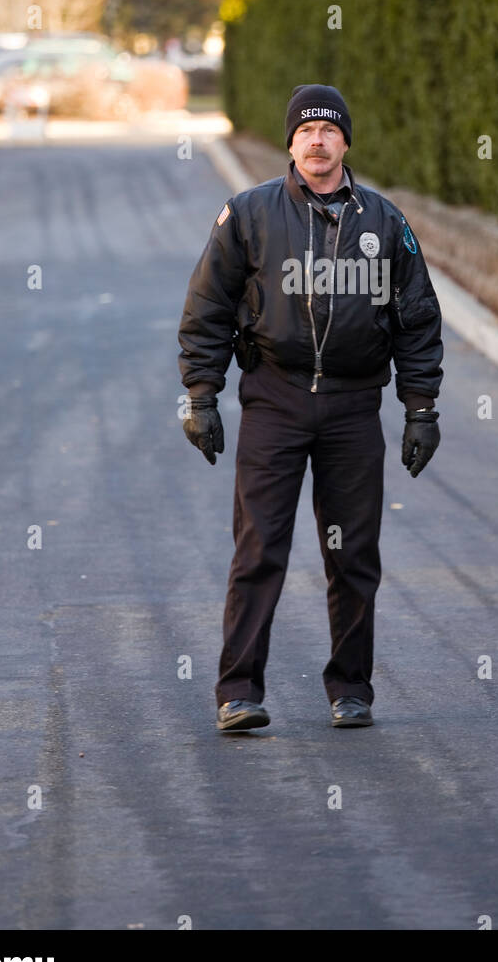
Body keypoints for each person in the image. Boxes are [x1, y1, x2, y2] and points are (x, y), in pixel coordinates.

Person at [178, 84, 443, 733]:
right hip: (275, 396)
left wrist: (421, 408)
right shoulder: (248, 215)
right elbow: (207, 309)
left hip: (354, 406)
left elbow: (416, 319)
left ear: (345, 141)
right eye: (306, 131)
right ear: (290, 143)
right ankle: (239, 690)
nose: (317, 141)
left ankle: (350, 687)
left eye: (329, 130)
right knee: (259, 546)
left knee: (354, 554)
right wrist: (201, 395)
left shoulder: (385, 221)